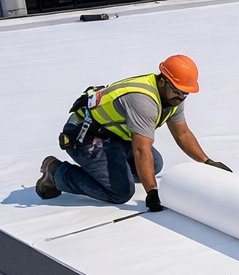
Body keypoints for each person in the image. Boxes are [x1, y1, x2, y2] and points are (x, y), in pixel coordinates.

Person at [35, 54, 227, 210]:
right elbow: (141, 150)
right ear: (162, 81)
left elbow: (182, 134)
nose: (181, 96)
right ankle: (56, 173)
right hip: (87, 138)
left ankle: (107, 171)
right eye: (178, 90)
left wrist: (207, 161)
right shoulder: (144, 101)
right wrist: (152, 191)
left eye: (186, 92)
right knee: (120, 192)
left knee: (155, 164)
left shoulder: (174, 99)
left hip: (114, 136)